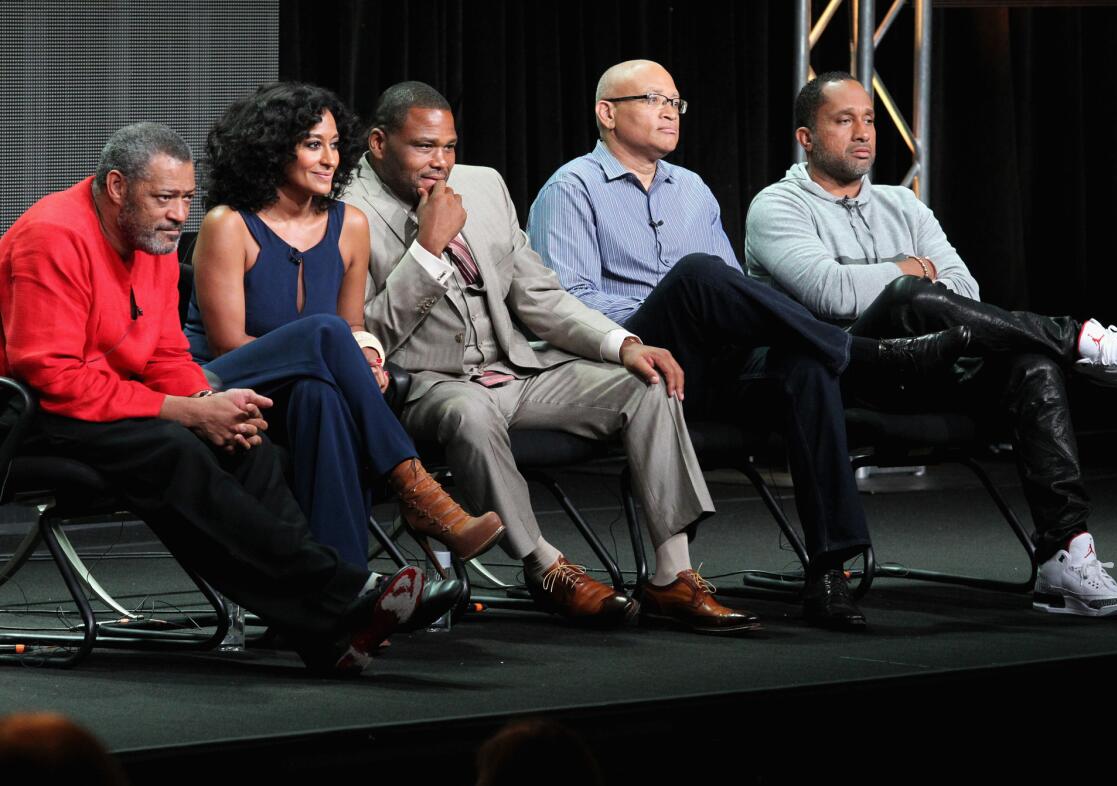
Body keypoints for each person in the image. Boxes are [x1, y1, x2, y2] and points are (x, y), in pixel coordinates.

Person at [0, 122, 462, 672]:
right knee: (176, 450)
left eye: (187, 199)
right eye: (164, 198)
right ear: (117, 187)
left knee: (250, 446)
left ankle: (324, 634)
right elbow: (50, 375)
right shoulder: (53, 235)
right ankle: (344, 590)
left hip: (118, 402)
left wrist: (207, 403)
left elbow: (165, 353)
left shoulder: (153, 238)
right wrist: (184, 410)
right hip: (40, 412)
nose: (178, 214)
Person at [528, 59, 965, 629]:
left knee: (804, 365)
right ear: (606, 114)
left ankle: (830, 570)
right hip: (630, 363)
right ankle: (858, 352)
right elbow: (568, 309)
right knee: (696, 275)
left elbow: (735, 302)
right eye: (653, 100)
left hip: (708, 368)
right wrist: (671, 308)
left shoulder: (692, 189)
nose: (669, 112)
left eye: (675, 102)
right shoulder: (570, 189)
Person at [744, 72, 1117, 617]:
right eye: (843, 120)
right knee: (911, 292)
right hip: (843, 372)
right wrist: (908, 274)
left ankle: (1066, 554)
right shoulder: (776, 206)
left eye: (869, 119)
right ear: (806, 137)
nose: (862, 132)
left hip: (931, 368)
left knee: (1031, 366)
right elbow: (831, 294)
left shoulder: (901, 204)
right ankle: (1078, 340)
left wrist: (908, 281)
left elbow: (966, 290)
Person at [342, 81, 758, 633]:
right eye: (423, 147)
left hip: (516, 369)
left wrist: (623, 343)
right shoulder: (346, 208)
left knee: (646, 384)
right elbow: (364, 335)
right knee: (470, 412)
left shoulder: (483, 185)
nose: (439, 163)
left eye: (448, 147)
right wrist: (428, 251)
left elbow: (539, 297)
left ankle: (671, 576)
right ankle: (544, 566)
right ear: (378, 143)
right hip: (427, 383)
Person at [184, 82, 504, 569]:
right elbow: (228, 345)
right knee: (324, 334)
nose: (330, 158)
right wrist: (343, 352)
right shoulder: (229, 224)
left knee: (324, 396)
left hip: (304, 387)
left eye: (335, 145)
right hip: (226, 381)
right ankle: (418, 490)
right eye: (313, 144)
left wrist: (368, 358)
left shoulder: (349, 223)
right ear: (272, 150)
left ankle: (343, 592)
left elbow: (354, 326)